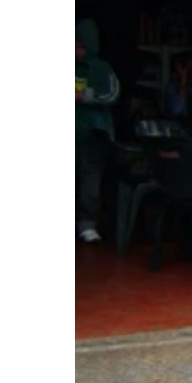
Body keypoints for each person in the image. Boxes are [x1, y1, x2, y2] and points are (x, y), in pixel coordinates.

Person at [76, 19, 120, 243]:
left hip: (92, 133)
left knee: (89, 178)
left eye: (77, 45)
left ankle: (87, 225)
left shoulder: (101, 69)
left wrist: (83, 96)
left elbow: (113, 95)